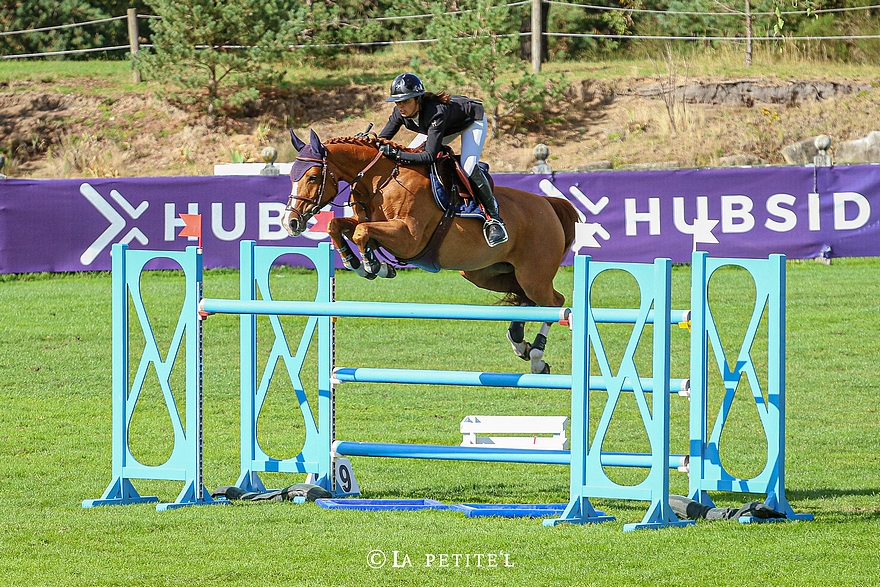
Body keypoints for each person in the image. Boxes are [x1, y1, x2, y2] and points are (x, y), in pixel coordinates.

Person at [376, 72, 508, 247]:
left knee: (468, 166)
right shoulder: (399, 112)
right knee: (412, 152)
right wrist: (364, 141)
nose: (401, 106)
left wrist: (396, 155)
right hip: (441, 127)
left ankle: (494, 219)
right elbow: (382, 140)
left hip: (470, 120)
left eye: (406, 101)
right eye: (398, 102)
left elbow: (430, 156)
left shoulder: (435, 112)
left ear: (418, 99)